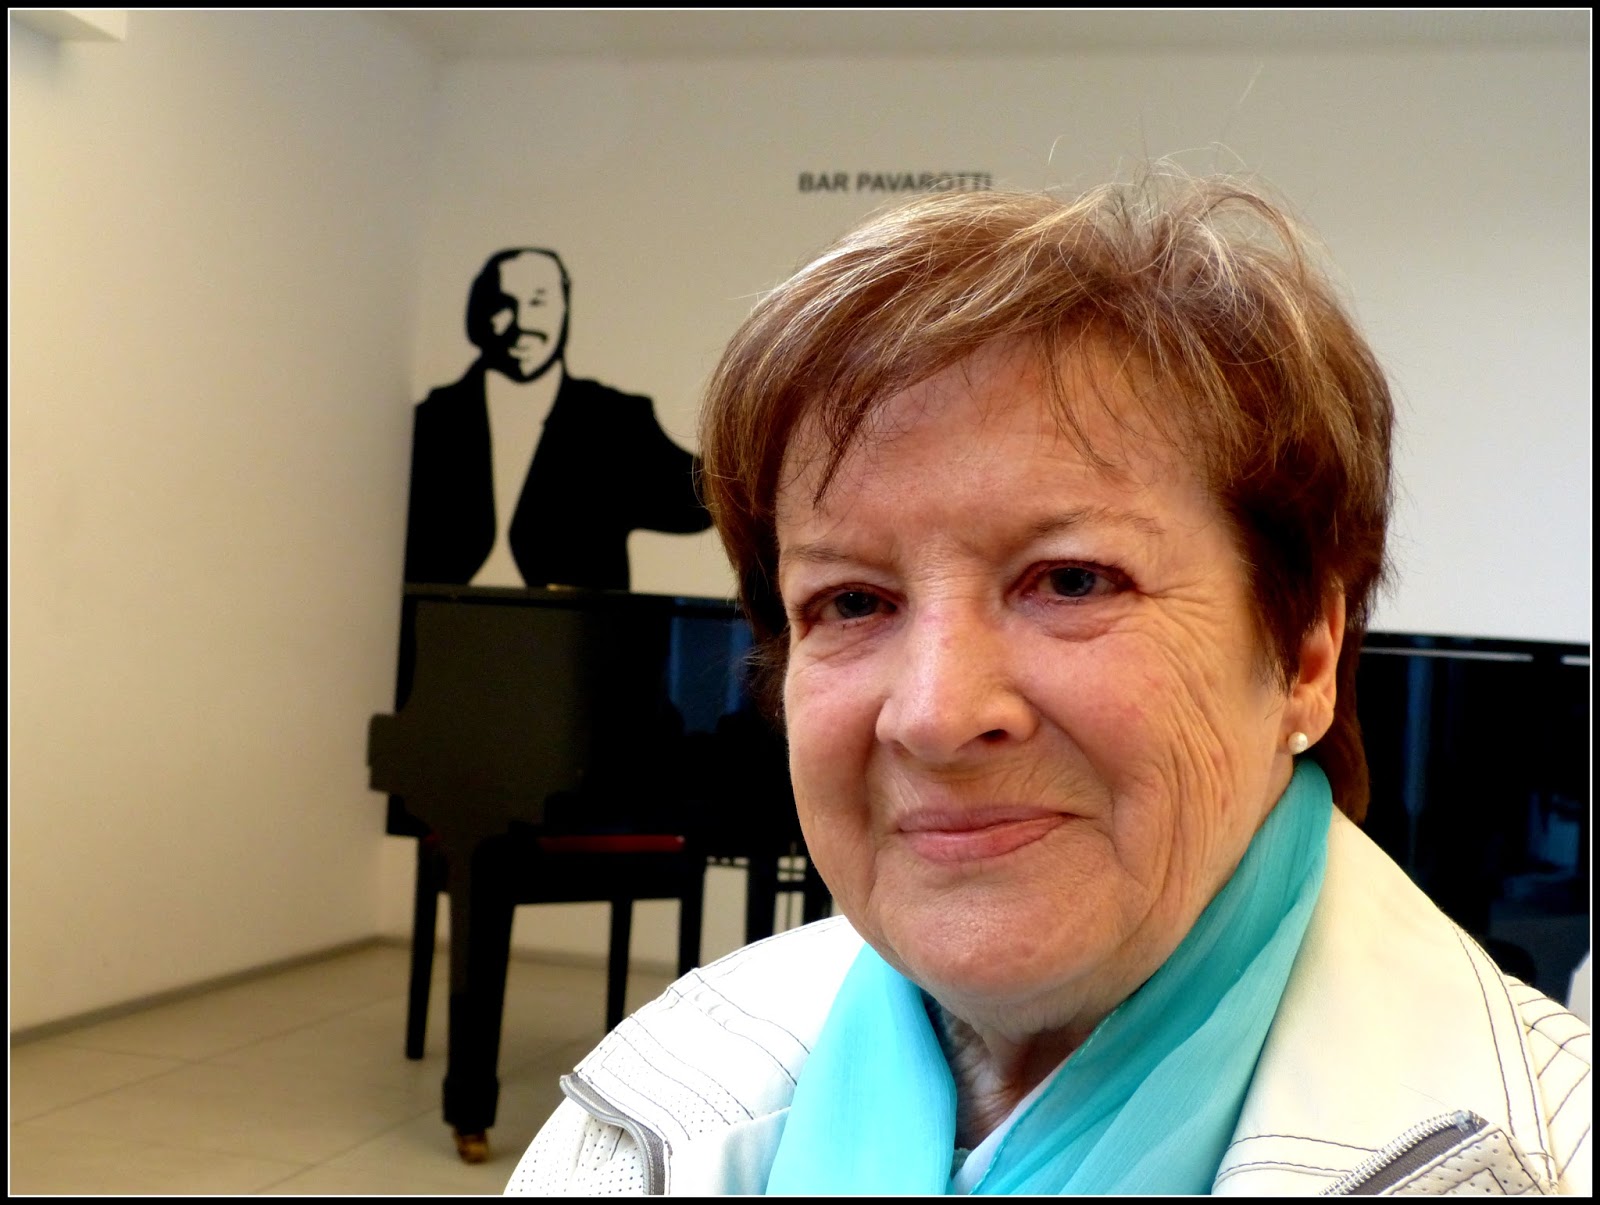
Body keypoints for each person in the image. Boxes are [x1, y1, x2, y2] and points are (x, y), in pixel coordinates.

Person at [504, 176, 1592, 1195]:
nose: (935, 713)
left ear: (1305, 652)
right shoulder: (653, 1095)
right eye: (853, 600)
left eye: (1072, 580)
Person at [403, 247, 711, 591]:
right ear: (481, 313)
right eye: (505, 304)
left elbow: (702, 501)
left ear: (564, 309)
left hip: (576, 623)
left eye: (538, 302)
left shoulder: (615, 420)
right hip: (437, 618)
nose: (522, 323)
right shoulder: (430, 420)